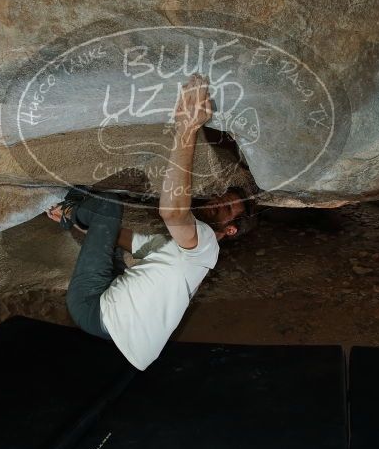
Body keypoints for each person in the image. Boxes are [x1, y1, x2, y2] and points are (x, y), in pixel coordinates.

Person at [46, 74, 255, 370]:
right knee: (105, 213)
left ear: (230, 229)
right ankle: (67, 210)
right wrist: (80, 222)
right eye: (223, 195)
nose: (219, 200)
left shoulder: (207, 243)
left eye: (228, 206)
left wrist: (188, 128)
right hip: (116, 325)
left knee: (108, 204)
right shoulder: (174, 251)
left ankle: (70, 205)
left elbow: (171, 212)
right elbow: (115, 237)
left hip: (94, 305)